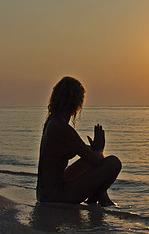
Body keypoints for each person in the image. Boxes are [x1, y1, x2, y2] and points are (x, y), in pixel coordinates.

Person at [36, 76, 121, 206]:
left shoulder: (52, 124)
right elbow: (97, 161)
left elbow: (84, 155)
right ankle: (96, 201)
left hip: (46, 192)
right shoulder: (61, 127)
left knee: (90, 155)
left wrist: (92, 150)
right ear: (75, 103)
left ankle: (101, 199)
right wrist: (99, 149)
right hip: (55, 195)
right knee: (113, 162)